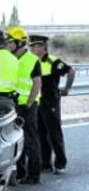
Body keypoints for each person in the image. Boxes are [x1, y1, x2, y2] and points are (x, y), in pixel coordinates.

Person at [30, 34, 75, 174]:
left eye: (35, 46)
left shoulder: (53, 61)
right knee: (41, 133)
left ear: (43, 47)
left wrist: (66, 88)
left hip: (50, 101)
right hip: (37, 101)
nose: (32, 48)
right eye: (31, 46)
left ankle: (61, 163)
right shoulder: (32, 61)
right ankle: (45, 163)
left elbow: (71, 71)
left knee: (54, 133)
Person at [6, 26, 42, 185]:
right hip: (12, 105)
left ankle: (34, 176)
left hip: (27, 106)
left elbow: (37, 84)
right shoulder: (11, 59)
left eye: (10, 42)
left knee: (30, 141)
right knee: (16, 140)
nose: (8, 45)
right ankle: (21, 174)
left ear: (19, 42)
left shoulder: (32, 60)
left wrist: (28, 103)